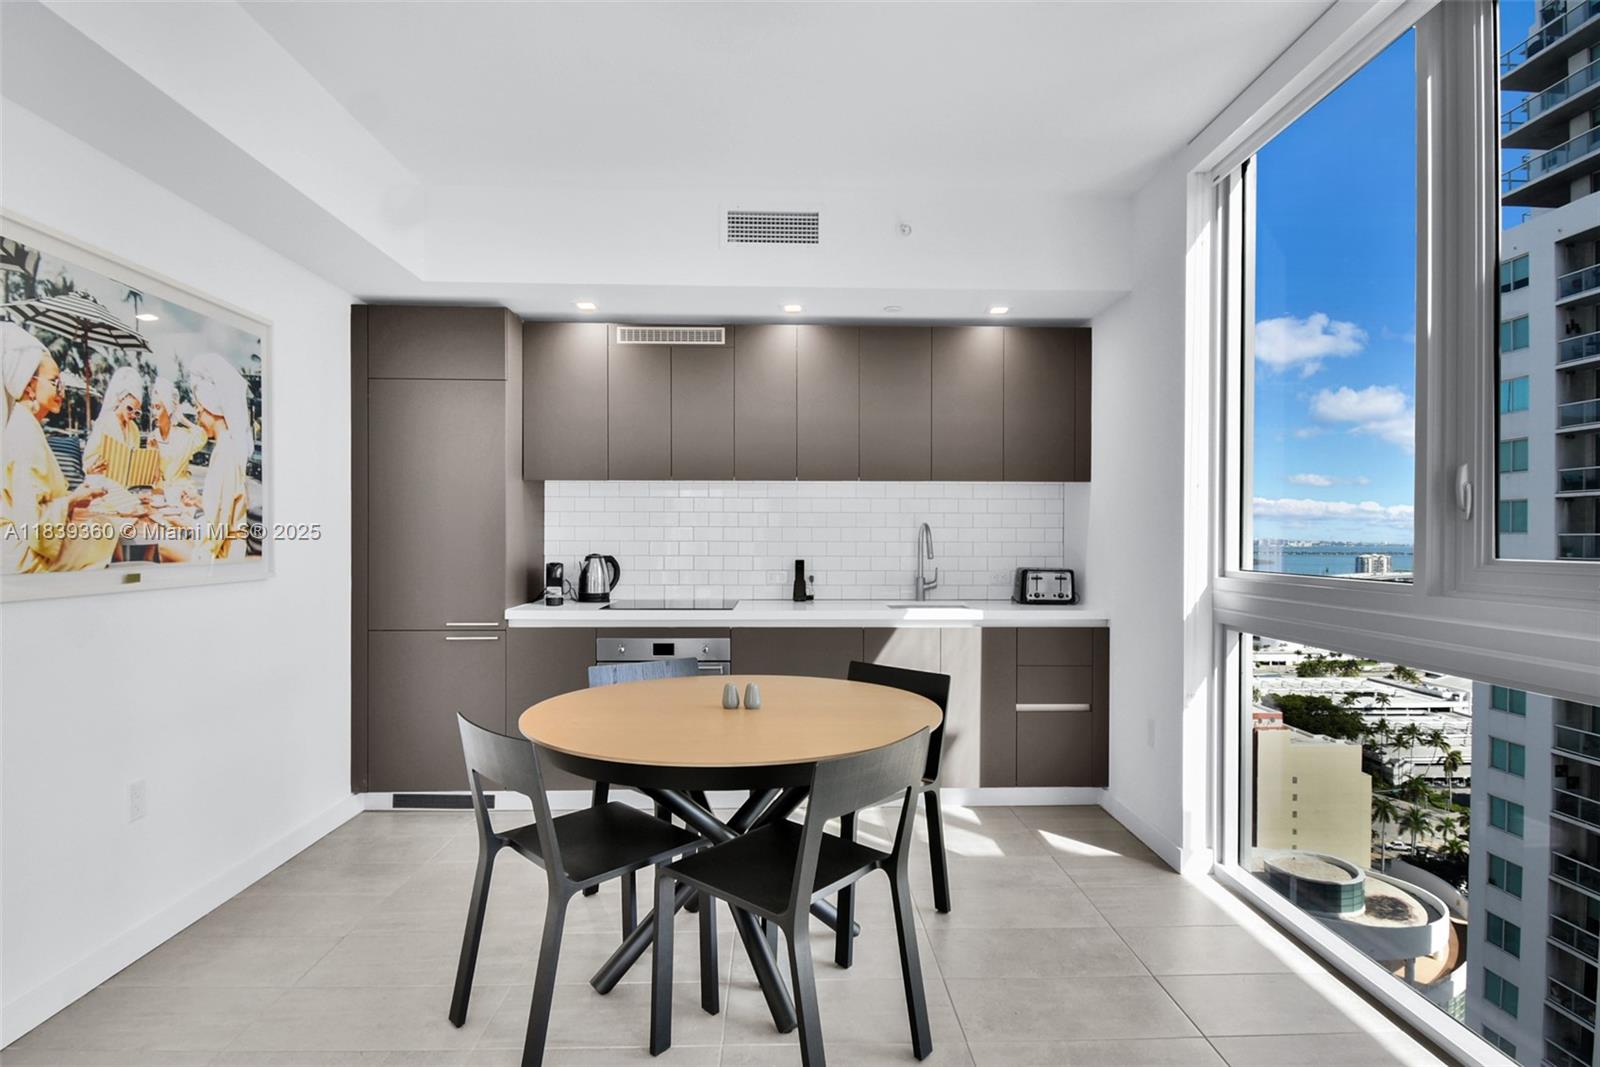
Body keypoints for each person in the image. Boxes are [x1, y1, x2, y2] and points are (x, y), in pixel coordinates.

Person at [1, 322, 113, 572]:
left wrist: (76, 497)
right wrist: (73, 499)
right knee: (107, 531)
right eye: (55, 382)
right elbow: (36, 527)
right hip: (23, 552)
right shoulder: (23, 434)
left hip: (31, 541)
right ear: (29, 386)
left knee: (105, 525)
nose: (62, 391)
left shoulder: (26, 425)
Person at [166, 352, 251, 562]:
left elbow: (217, 530)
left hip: (221, 558)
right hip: (224, 549)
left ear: (212, 408)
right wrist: (199, 502)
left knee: (162, 543)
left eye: (199, 409)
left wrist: (184, 523)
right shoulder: (228, 445)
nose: (198, 416)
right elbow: (223, 508)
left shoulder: (226, 450)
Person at [147, 376, 205, 501]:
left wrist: (182, 419)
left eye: (158, 407)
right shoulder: (153, 438)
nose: (154, 413)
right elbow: (151, 475)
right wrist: (153, 453)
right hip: (160, 492)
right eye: (152, 407)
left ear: (168, 410)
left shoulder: (183, 436)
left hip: (183, 494)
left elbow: (202, 435)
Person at [82, 365, 144, 477]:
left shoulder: (134, 429)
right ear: (121, 399)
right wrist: (94, 466)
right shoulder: (104, 423)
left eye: (137, 412)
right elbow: (88, 459)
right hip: (104, 480)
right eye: (129, 408)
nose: (132, 415)